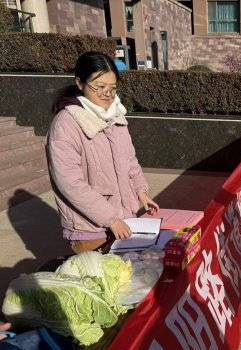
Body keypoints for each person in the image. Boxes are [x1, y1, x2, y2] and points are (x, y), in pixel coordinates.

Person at [47, 51, 159, 254]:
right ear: (80, 83)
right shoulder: (66, 123)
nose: (107, 94)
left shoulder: (117, 116)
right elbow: (69, 183)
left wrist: (141, 191)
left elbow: (130, 160)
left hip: (125, 219)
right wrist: (111, 219)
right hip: (91, 229)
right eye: (99, 87)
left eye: (112, 88)